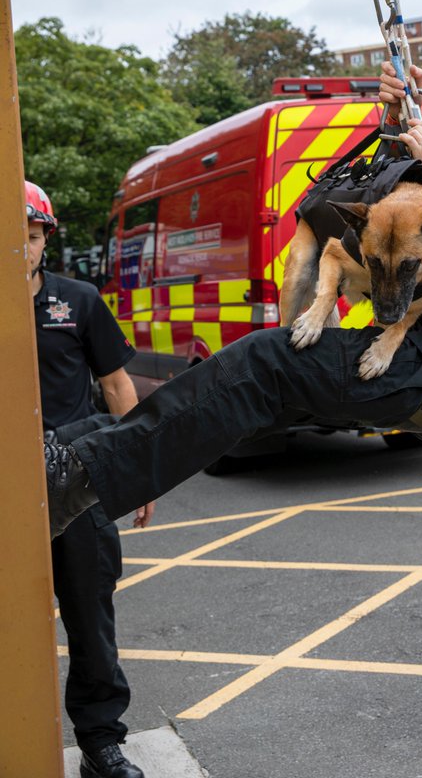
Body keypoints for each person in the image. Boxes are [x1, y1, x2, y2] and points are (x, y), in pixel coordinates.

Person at [44, 38, 422, 541]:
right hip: (418, 345)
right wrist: (402, 118)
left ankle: (73, 475)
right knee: (231, 397)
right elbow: (409, 197)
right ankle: (61, 459)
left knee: (265, 360)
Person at [26, 181, 155, 778]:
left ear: (46, 239)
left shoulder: (76, 300)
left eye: (31, 236)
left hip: (78, 485)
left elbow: (117, 387)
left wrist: (141, 471)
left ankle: (101, 745)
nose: (20, 248)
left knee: (90, 619)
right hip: (8, 494)